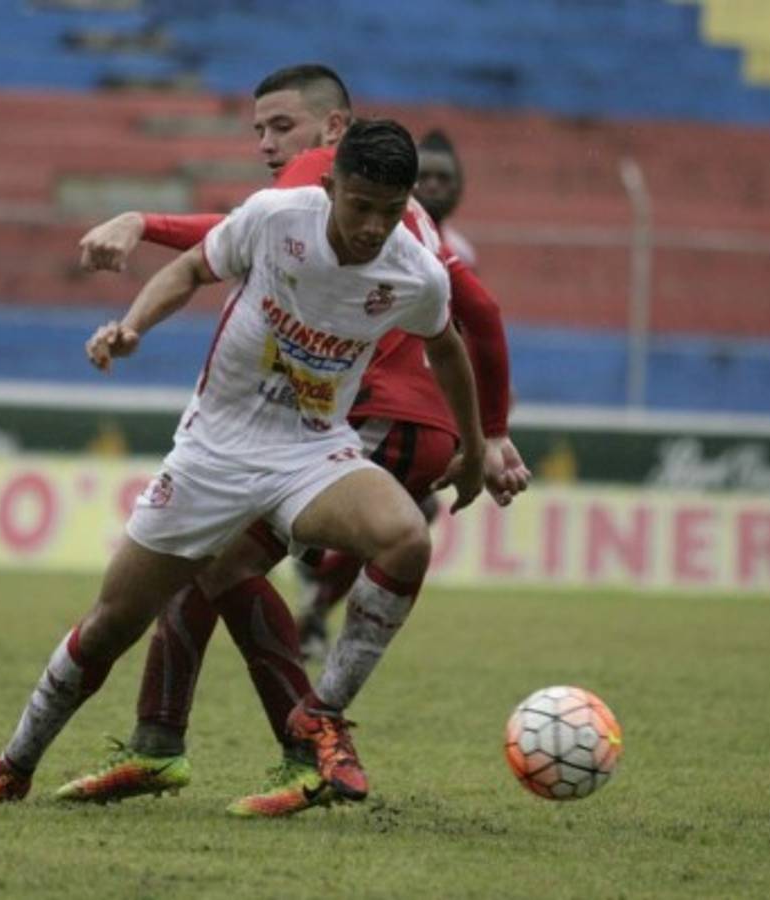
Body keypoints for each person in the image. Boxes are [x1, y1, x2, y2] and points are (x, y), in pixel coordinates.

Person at [0, 118, 487, 812]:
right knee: (112, 621)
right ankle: (13, 766)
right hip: (212, 453)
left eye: (389, 208)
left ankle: (323, 717)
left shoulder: (414, 270)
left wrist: (473, 446)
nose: (374, 225)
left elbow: (449, 347)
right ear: (328, 188)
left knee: (406, 538)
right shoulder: (275, 218)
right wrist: (133, 325)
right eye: (359, 205)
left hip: (311, 448)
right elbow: (192, 267)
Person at [56, 65, 530, 817]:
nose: (269, 146)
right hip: (402, 424)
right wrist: (489, 436)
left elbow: (226, 239)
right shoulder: (392, 214)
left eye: (282, 127)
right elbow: (481, 307)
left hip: (372, 416)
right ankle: (179, 743)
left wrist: (142, 222)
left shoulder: (333, 187)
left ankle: (302, 745)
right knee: (207, 564)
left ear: (334, 131)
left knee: (212, 563)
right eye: (258, 131)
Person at [293, 126, 482, 656]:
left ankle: (311, 596)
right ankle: (305, 586)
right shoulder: (377, 239)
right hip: (363, 399)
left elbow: (463, 335)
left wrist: (487, 427)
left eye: (449, 178)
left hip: (419, 407)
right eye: (432, 178)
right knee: (391, 518)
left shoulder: (452, 255)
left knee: (405, 517)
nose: (440, 187)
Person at [414, 128, 478, 270]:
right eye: (423, 176)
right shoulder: (390, 243)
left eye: (443, 178)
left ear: (457, 185)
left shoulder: (462, 254)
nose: (433, 186)